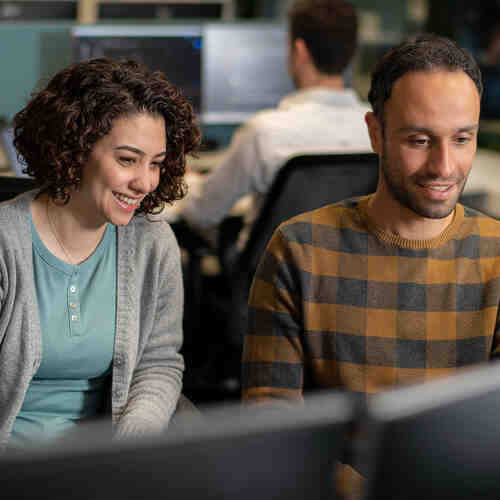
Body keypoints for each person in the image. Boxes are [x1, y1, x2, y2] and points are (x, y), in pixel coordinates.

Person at [242, 33, 500, 498]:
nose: (444, 166)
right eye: (420, 140)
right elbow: (272, 429)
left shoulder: (498, 256)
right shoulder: (298, 249)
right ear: (375, 132)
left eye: (462, 139)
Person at [0, 57, 201, 451]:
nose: (145, 182)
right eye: (127, 160)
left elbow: (158, 364)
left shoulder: (152, 243)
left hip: (105, 464)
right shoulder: (7, 245)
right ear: (74, 149)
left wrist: (127, 450)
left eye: (156, 164)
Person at [181, 0, 371, 250]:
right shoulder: (376, 127)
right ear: (352, 53)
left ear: (299, 51)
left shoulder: (264, 132)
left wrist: (189, 183)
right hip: (348, 278)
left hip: (270, 283)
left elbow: (201, 213)